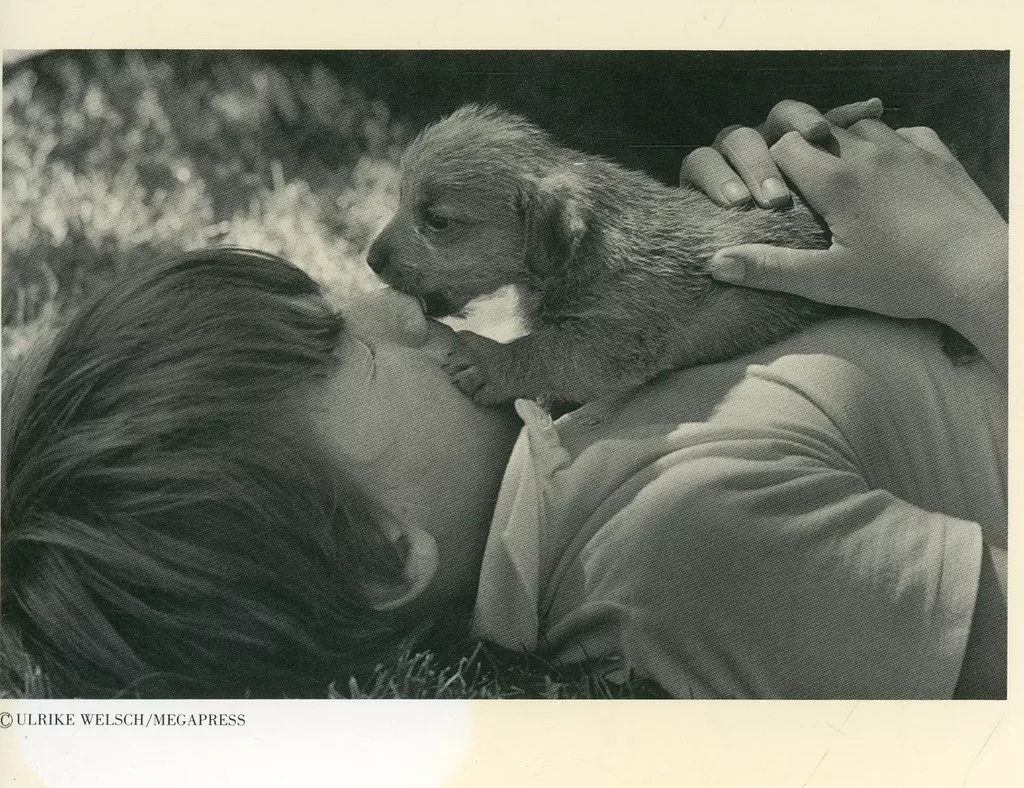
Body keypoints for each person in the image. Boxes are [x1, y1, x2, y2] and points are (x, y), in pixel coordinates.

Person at [0, 103, 1006, 699]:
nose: (386, 299)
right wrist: (978, 269)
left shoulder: (570, 427)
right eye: (349, 346)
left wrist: (758, 220)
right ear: (385, 555)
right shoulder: (685, 545)